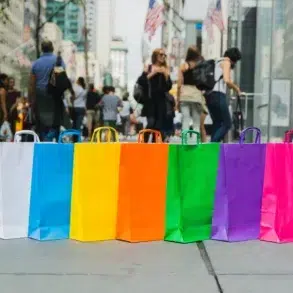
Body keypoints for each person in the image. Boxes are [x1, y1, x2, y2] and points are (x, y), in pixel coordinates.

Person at [29, 40, 72, 141]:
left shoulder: (36, 63)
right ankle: (55, 142)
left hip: (40, 97)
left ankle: (44, 141)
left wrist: (31, 99)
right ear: (52, 48)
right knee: (55, 121)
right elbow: (62, 79)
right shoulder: (58, 61)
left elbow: (31, 84)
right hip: (55, 96)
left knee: (42, 121)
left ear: (42, 49)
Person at [205, 47, 242, 142]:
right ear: (234, 59)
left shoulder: (218, 61)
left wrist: (230, 85)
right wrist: (236, 88)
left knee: (217, 122)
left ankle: (213, 150)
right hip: (218, 95)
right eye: (236, 61)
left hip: (209, 95)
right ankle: (212, 144)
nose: (235, 64)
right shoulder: (227, 62)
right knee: (227, 123)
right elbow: (226, 80)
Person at [137, 48, 172, 142]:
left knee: (158, 126)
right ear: (155, 56)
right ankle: (144, 144)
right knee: (151, 123)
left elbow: (168, 87)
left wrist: (166, 75)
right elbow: (141, 81)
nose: (163, 57)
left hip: (161, 101)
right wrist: (153, 73)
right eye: (161, 54)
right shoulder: (148, 67)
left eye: (165, 55)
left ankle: (154, 146)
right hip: (150, 100)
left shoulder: (166, 69)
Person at [177, 46, 207, 142]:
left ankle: (185, 142)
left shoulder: (183, 66)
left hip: (185, 95)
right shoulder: (200, 66)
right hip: (196, 95)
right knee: (196, 122)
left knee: (185, 120)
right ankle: (195, 143)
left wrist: (178, 98)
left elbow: (179, 84)